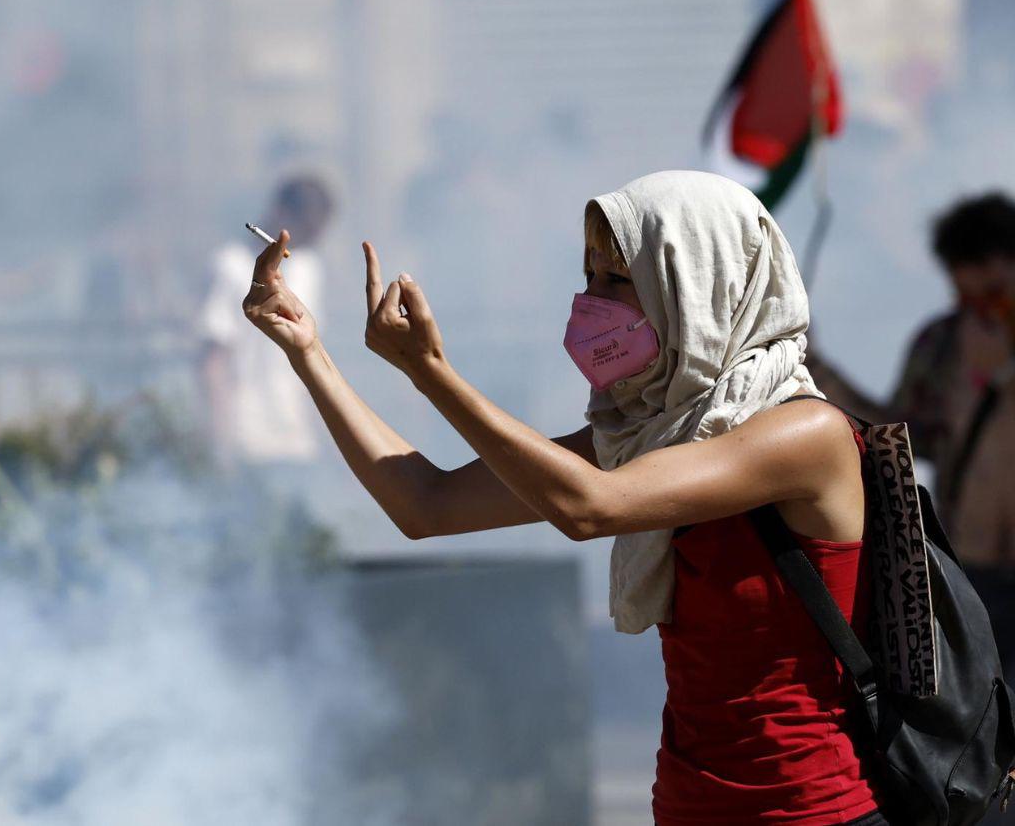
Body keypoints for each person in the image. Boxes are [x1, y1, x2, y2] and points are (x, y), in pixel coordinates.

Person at [243, 170, 896, 824]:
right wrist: (308, 353)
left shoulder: (804, 435)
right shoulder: (643, 437)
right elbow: (426, 504)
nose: (592, 301)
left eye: (618, 279)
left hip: (817, 812)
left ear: (698, 285)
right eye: (589, 276)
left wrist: (430, 372)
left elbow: (590, 508)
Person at [805, 192, 1015, 684]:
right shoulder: (940, 346)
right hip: (975, 565)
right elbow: (893, 432)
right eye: (970, 292)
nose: (985, 308)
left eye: (996, 290)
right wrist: (816, 370)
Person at [198, 174, 334, 477]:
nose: (310, 238)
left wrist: (329, 439)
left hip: (299, 444)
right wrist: (222, 443)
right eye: (306, 226)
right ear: (281, 212)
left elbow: (313, 356)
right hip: (249, 441)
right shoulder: (231, 266)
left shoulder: (309, 268)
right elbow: (214, 361)